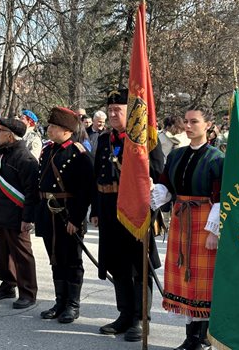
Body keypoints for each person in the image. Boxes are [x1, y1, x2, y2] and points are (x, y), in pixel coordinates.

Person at [91, 89, 164, 341]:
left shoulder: (143, 139)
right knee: (118, 265)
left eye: (117, 110)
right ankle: (124, 314)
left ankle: (140, 319)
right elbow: (97, 177)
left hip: (135, 211)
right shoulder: (104, 139)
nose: (112, 114)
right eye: (109, 110)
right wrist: (96, 210)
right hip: (109, 211)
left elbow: (157, 170)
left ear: (129, 112)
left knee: (137, 268)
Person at [150, 105, 224, 349]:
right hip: (182, 219)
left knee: (202, 280)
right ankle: (191, 336)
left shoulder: (217, 158)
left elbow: (221, 196)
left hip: (204, 220)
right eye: (187, 121)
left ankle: (202, 338)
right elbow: (166, 185)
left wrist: (214, 230)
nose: (189, 126)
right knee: (185, 276)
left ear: (208, 126)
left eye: (195, 121)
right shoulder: (176, 155)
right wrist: (156, 193)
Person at [36, 106, 94, 324]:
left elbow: (84, 191)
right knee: (55, 258)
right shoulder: (48, 150)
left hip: (68, 213)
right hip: (48, 213)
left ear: (67, 130)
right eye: (50, 126)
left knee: (71, 260)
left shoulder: (79, 153)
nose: (49, 129)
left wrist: (75, 219)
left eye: (53, 126)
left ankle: (72, 304)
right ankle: (60, 301)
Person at [0, 118, 39, 309]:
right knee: (3, 253)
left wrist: (27, 218)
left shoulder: (25, 159)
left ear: (10, 136)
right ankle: (8, 285)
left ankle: (28, 292)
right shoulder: (4, 155)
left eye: (0, 131)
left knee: (22, 255)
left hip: (17, 215)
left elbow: (31, 193)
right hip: (3, 213)